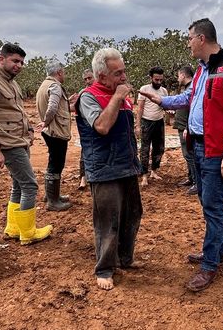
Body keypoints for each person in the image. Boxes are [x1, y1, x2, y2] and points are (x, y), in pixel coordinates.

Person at [139, 18, 223, 292]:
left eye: (189, 38)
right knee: (206, 201)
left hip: (215, 150)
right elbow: (190, 99)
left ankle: (210, 264)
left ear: (201, 38)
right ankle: (217, 250)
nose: (188, 43)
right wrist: (162, 101)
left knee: (213, 206)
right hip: (197, 145)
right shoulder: (201, 70)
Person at [75, 48, 143, 290]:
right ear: (101, 77)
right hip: (104, 169)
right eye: (117, 73)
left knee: (132, 214)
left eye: (124, 71)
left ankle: (124, 259)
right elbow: (101, 126)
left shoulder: (120, 95)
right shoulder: (88, 97)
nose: (123, 77)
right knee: (108, 221)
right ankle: (104, 268)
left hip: (127, 166)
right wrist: (117, 98)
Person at [0, 43, 52, 245]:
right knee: (30, 185)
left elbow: (16, 111)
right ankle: (28, 233)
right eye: (15, 61)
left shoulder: (12, 83)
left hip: (19, 142)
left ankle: (13, 228)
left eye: (21, 62)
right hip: (9, 145)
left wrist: (28, 130)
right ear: (1, 59)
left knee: (18, 185)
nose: (19, 65)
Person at [35, 59, 73, 211]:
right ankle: (53, 201)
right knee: (56, 164)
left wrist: (69, 102)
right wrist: (46, 121)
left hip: (49, 131)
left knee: (53, 161)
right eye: (63, 72)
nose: (64, 75)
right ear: (58, 72)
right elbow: (52, 108)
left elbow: (56, 105)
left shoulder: (44, 85)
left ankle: (51, 195)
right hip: (56, 130)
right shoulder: (55, 86)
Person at [135, 66, 168, 187]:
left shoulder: (164, 91)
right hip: (146, 122)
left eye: (160, 80)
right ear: (151, 78)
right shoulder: (144, 89)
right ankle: (144, 175)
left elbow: (164, 105)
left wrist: (168, 110)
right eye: (156, 80)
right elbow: (140, 108)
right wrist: (138, 125)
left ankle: (154, 171)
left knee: (159, 148)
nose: (159, 82)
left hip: (159, 122)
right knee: (145, 149)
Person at [173, 66, 198, 196]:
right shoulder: (188, 88)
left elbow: (194, 110)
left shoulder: (192, 88)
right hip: (183, 126)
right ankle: (191, 178)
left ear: (183, 75)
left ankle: (196, 183)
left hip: (186, 128)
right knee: (187, 155)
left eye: (178, 76)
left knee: (190, 155)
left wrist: (189, 128)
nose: (178, 79)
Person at [77, 69, 95, 190]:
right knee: (85, 152)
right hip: (86, 127)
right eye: (86, 79)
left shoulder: (99, 91)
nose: (88, 81)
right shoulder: (82, 92)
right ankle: (83, 178)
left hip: (98, 125)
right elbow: (77, 111)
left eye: (90, 78)